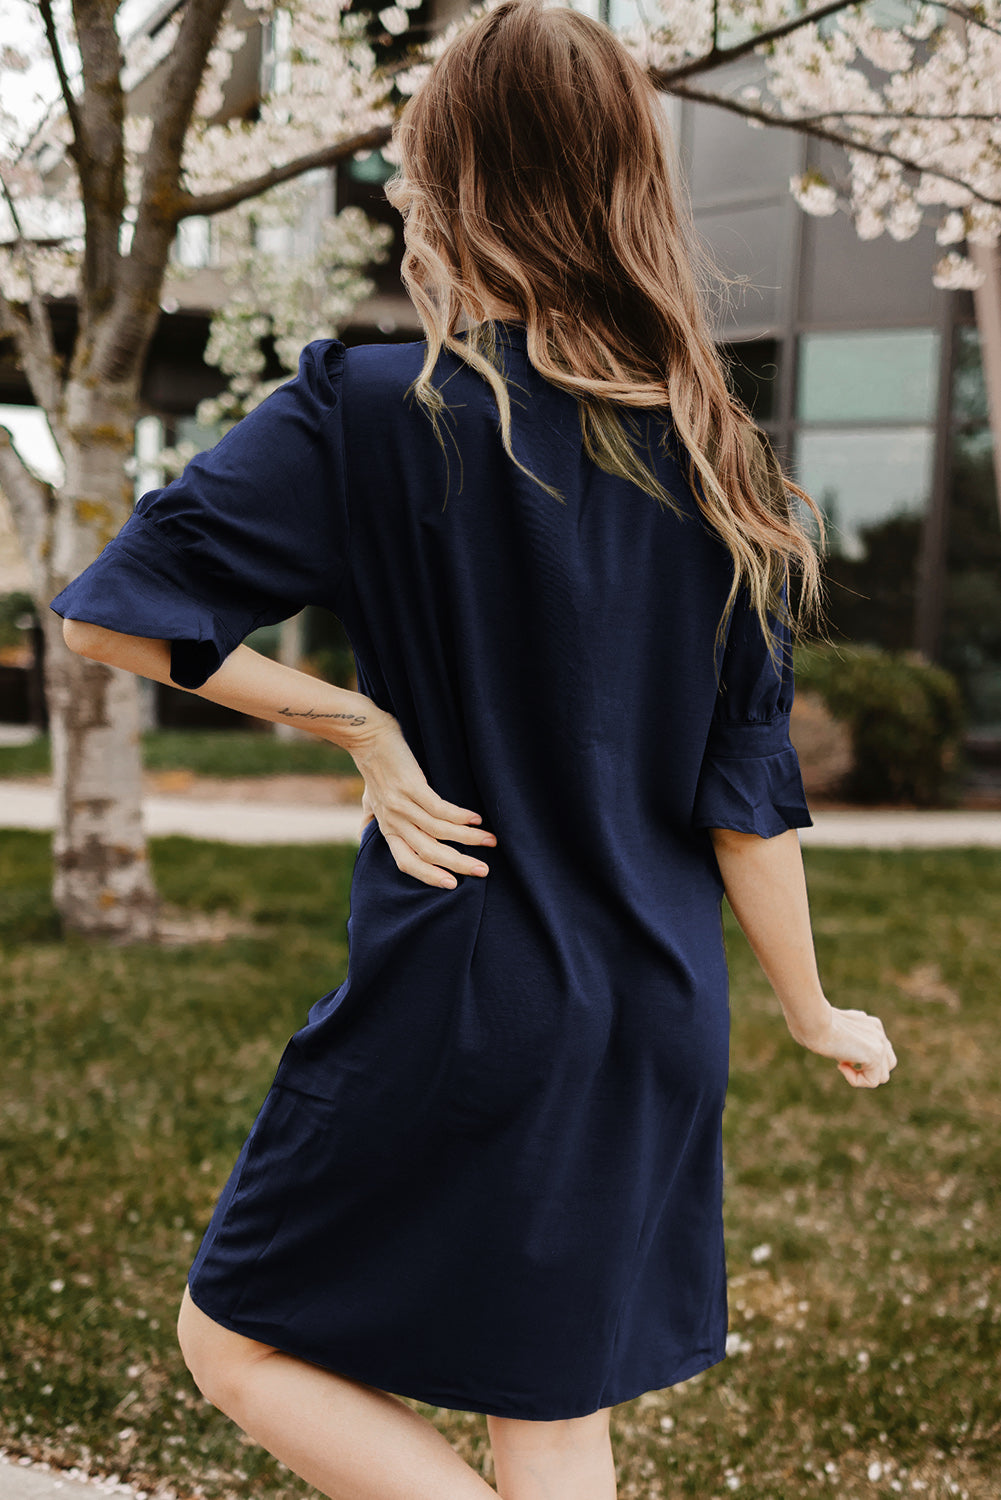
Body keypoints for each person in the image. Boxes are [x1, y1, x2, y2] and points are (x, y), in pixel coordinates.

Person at [49, 2, 897, 1496]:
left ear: (449, 178)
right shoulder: (723, 461)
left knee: (233, 1344)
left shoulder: (378, 410)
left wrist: (353, 722)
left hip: (469, 994)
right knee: (550, 1408)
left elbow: (115, 615)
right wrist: (812, 1011)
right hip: (654, 1017)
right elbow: (746, 805)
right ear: (629, 178)